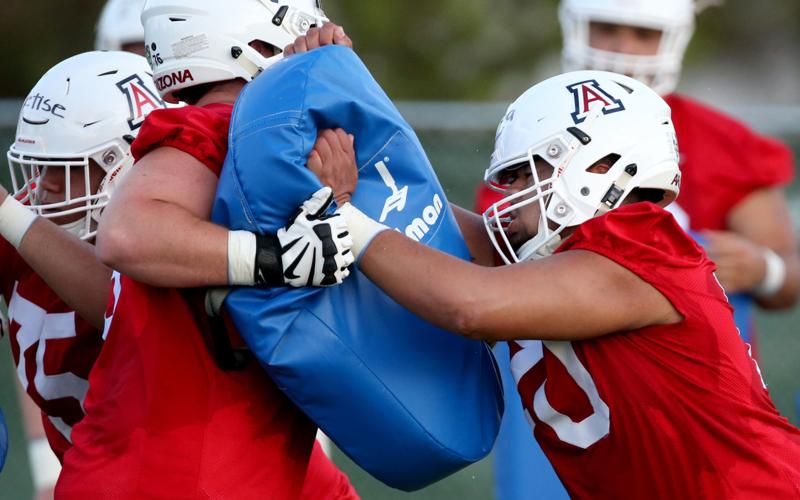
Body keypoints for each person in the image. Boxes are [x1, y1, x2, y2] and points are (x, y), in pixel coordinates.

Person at [309, 70, 800, 498]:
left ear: (601, 166)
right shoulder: (571, 260)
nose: (514, 195)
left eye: (527, 174)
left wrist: (343, 219)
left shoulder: (643, 245)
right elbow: (435, 226)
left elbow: (468, 305)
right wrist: (353, 137)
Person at [475, 2, 800, 496]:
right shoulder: (538, 136)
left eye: (643, 33)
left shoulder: (724, 142)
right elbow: (489, 256)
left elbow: (789, 272)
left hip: (682, 410)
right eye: (607, 28)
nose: (623, 48)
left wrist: (766, 269)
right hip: (567, 408)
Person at [58, 1, 358, 498]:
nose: (323, 34)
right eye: (306, 23)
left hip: (237, 461)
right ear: (254, 37)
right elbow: (127, 233)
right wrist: (275, 257)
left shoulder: (282, 137)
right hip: (178, 471)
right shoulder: (215, 127)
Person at [0, 51, 166, 496]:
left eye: (63, 168)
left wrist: (10, 219)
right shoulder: (22, 225)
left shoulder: (182, 239)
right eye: (38, 165)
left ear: (126, 167)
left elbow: (122, 306)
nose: (43, 185)